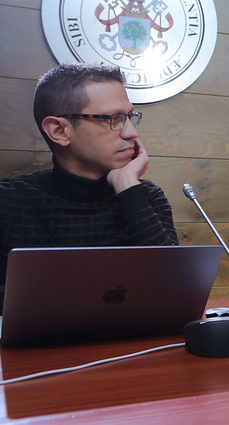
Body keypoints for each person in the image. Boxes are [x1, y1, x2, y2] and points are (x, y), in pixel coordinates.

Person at [0, 63, 178, 307]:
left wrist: (128, 187)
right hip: (40, 345)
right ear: (59, 131)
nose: (131, 133)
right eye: (114, 119)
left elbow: (174, 289)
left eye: (129, 117)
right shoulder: (7, 202)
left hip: (135, 342)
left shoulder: (145, 197)